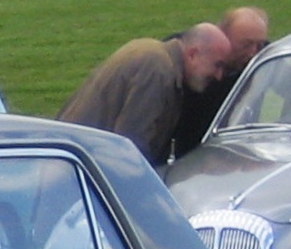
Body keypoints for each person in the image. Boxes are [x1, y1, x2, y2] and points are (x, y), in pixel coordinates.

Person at [56, 22, 231, 166]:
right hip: (75, 167)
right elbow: (130, 149)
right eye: (217, 65)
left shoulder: (151, 51)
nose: (219, 76)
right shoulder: (158, 72)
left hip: (69, 157)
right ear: (193, 54)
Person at [170, 6, 270, 161]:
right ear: (223, 35)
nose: (253, 53)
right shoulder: (190, 51)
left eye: (259, 45)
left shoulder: (260, 57)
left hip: (234, 149)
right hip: (184, 148)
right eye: (246, 45)